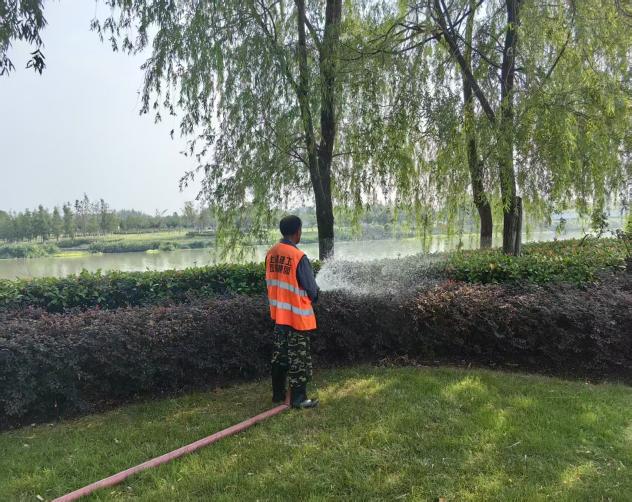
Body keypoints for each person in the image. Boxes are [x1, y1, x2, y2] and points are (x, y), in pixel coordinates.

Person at [265, 215, 320, 409]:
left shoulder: (271, 253)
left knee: (280, 356)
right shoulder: (298, 256)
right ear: (298, 231)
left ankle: (278, 395)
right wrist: (316, 294)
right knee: (299, 360)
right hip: (297, 318)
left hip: (279, 316)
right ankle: (298, 399)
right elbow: (312, 290)